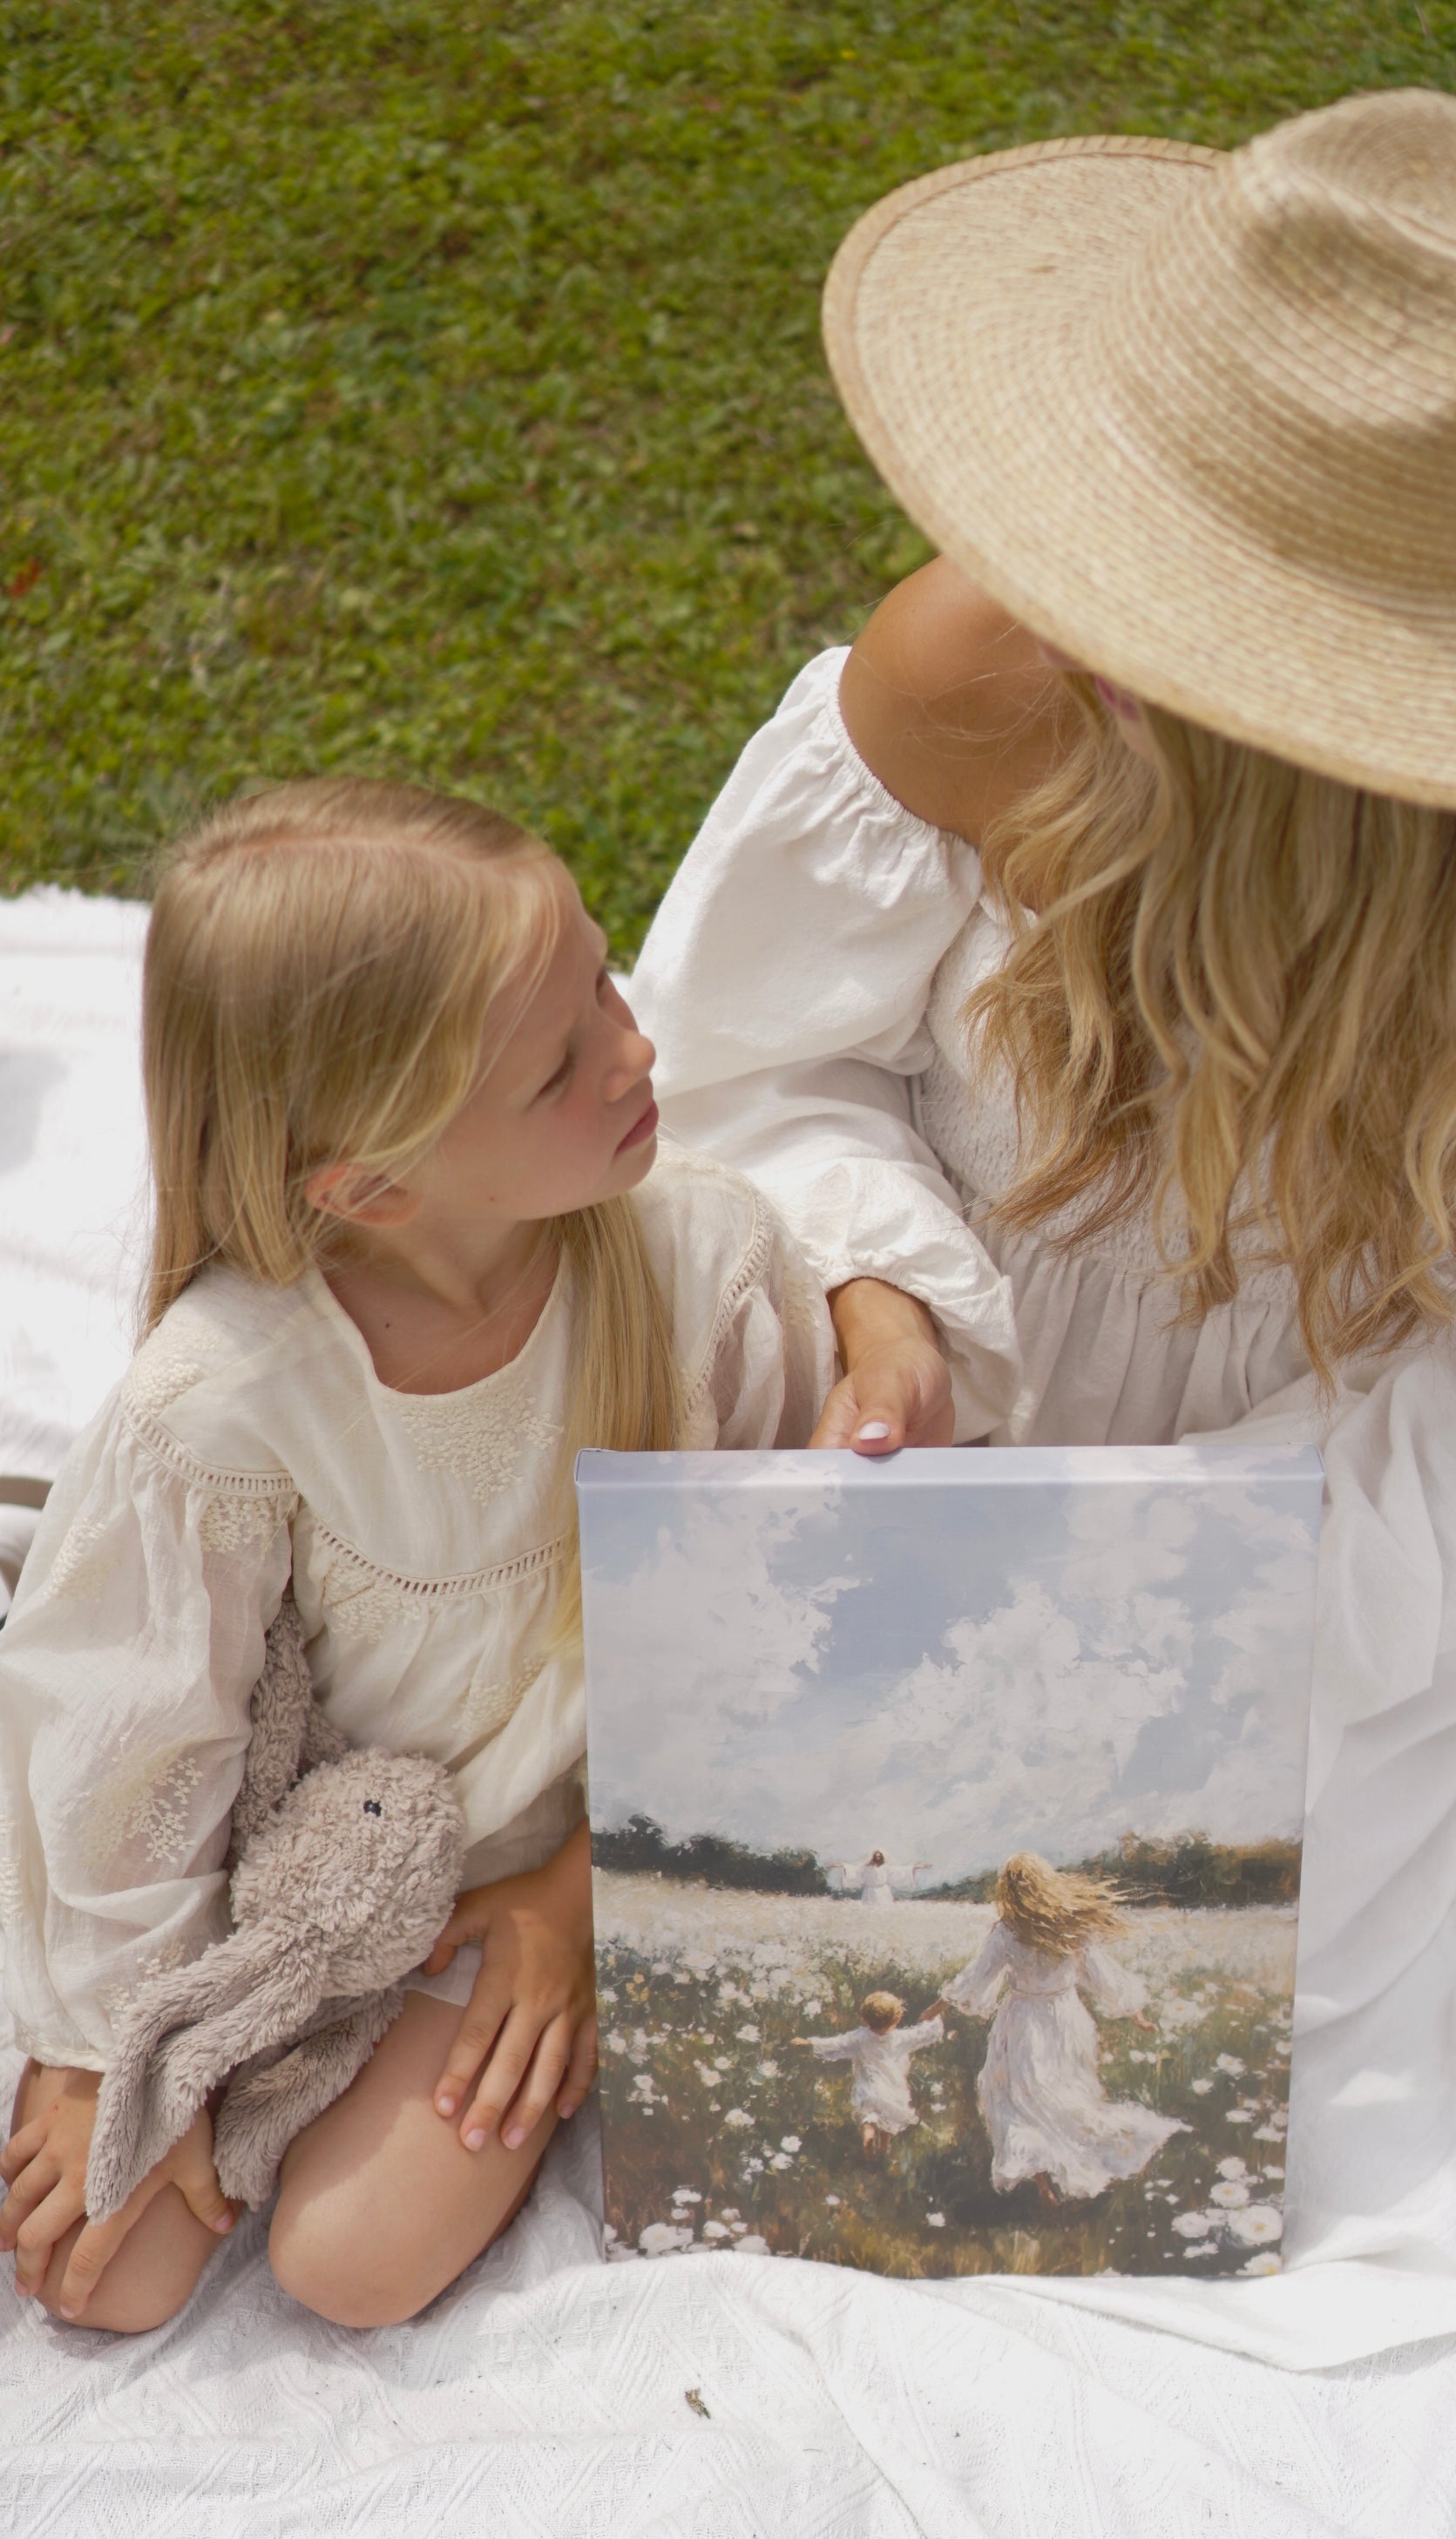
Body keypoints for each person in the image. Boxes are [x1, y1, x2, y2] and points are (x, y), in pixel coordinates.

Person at [630, 91, 1456, 2016]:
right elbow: (743, 1067)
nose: (1091, 617)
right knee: (736, 1889)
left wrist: (1183, 1576)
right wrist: (881, 1286)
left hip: (1329, 1517)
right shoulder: (979, 674)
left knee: (1161, 1980)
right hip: (903, 1388)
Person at [0, 779, 831, 2335]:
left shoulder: (705, 1266)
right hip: (312, 1839)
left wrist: (582, 1898)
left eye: (606, 977)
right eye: (559, 1065)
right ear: (370, 1185)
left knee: (353, 2260)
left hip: (548, 1859)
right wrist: (108, 2038)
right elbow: (136, 1733)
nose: (636, 1050)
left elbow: (791, 1627)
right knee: (108, 2276)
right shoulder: (230, 1393)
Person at [922, 1854, 1178, 2204]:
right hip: (1067, 2019)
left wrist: (937, 2008)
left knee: (1017, 2101)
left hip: (1023, 2020)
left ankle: (1043, 2183)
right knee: (1066, 2098)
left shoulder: (1007, 1930)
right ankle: (1081, 2166)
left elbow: (977, 1977)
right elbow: (1102, 1976)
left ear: (1008, 1890)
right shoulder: (1070, 1927)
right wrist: (1136, 2013)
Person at [796, 1990, 943, 2156]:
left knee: (868, 2118)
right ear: (896, 2019)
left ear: (864, 2018)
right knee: (888, 2123)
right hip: (892, 2090)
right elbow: (925, 2034)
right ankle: (882, 2150)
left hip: (868, 2089)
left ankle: (868, 2138)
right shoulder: (901, 2038)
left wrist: (809, 2044)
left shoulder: (859, 2038)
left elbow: (835, 2044)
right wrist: (935, 2017)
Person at [829, 1850, 931, 1905]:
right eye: (876, 1856)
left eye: (879, 1856)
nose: (877, 1858)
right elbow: (855, 1869)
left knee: (884, 1909)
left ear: (881, 1858)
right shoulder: (867, 1868)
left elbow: (901, 1870)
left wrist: (919, 1867)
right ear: (873, 1858)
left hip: (883, 1891)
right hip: (870, 1891)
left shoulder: (886, 1867)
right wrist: (840, 1866)